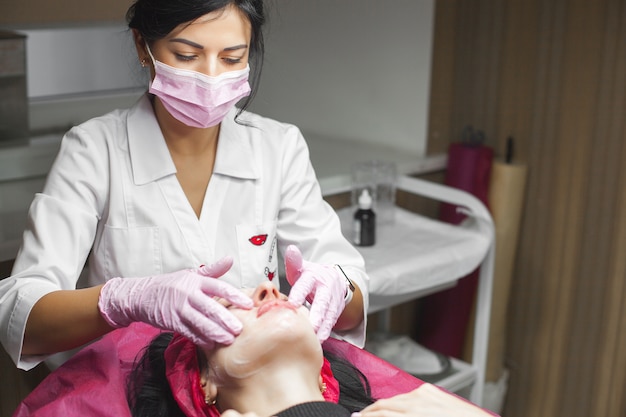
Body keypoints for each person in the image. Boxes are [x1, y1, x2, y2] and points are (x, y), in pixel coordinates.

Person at [0, 0, 368, 371]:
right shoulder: (94, 150)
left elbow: (352, 306)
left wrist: (337, 289)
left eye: (230, 58)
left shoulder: (279, 147)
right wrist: (123, 300)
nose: (210, 76)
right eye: (187, 55)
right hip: (129, 394)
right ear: (143, 46)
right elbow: (23, 318)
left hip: (244, 387)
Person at [128, 281, 497, 417]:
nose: (269, 290)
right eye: (228, 306)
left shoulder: (416, 410)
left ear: (325, 376)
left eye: (286, 295)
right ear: (204, 382)